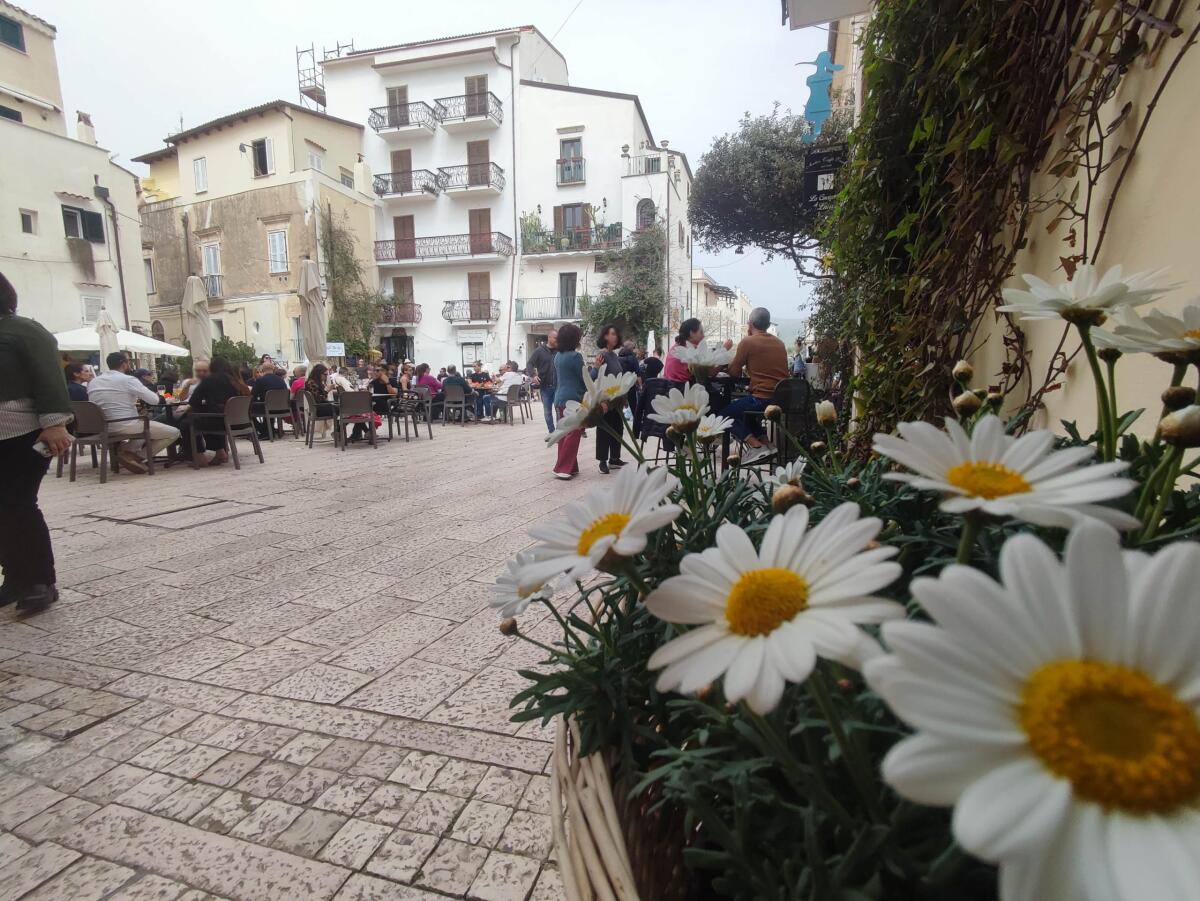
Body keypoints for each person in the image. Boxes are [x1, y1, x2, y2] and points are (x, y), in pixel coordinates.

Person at [0, 271, 73, 612]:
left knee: (18, 505)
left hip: (24, 433)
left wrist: (55, 423)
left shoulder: (23, 331)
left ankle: (40, 581)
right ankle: (15, 578)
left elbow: (48, 376)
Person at [87, 351, 180, 473]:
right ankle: (137, 457)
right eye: (128, 361)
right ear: (124, 364)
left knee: (145, 426)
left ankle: (124, 450)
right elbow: (154, 400)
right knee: (173, 432)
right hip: (124, 424)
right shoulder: (128, 379)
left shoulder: (94, 382)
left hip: (103, 426)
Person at [727, 307, 790, 464]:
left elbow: (733, 372)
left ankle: (756, 447)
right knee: (745, 411)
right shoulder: (780, 343)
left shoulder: (748, 342)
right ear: (768, 325)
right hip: (781, 399)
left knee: (724, 415)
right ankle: (767, 444)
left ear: (750, 324)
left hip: (762, 400)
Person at [185, 356, 245, 465]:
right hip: (241, 421)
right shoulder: (235, 380)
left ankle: (199, 457)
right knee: (209, 417)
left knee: (188, 423)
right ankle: (220, 452)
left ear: (211, 367)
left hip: (222, 422)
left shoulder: (209, 380)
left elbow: (193, 401)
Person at [552, 323, 586, 480]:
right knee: (573, 432)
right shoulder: (576, 357)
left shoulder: (558, 356)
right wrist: (598, 369)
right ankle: (563, 468)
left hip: (559, 398)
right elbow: (584, 378)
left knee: (563, 432)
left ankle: (569, 466)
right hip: (573, 399)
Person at [592, 323, 626, 474]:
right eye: (611, 333)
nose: (614, 336)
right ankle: (602, 461)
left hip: (616, 400)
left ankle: (614, 458)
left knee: (618, 428)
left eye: (616, 334)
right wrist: (601, 401)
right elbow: (594, 378)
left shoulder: (614, 355)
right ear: (605, 336)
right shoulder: (602, 355)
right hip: (605, 400)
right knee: (604, 430)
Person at [526, 330, 558, 433]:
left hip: (558, 386)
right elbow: (530, 364)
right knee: (547, 412)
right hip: (545, 386)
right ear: (549, 337)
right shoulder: (539, 351)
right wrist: (533, 375)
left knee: (559, 411)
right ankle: (552, 432)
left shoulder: (560, 351)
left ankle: (559, 433)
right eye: (555, 338)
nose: (557, 340)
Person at [249, 362, 289, 438]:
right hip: (283, 408)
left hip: (267, 407)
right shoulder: (281, 380)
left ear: (262, 369)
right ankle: (269, 429)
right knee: (267, 404)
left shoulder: (260, 380)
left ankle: (263, 430)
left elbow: (253, 396)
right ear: (273, 369)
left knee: (248, 411)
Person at [664, 318, 704, 383]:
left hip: (670, 388)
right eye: (701, 332)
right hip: (683, 389)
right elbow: (710, 373)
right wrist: (725, 348)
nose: (703, 336)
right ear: (691, 333)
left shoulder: (676, 347)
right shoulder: (689, 350)